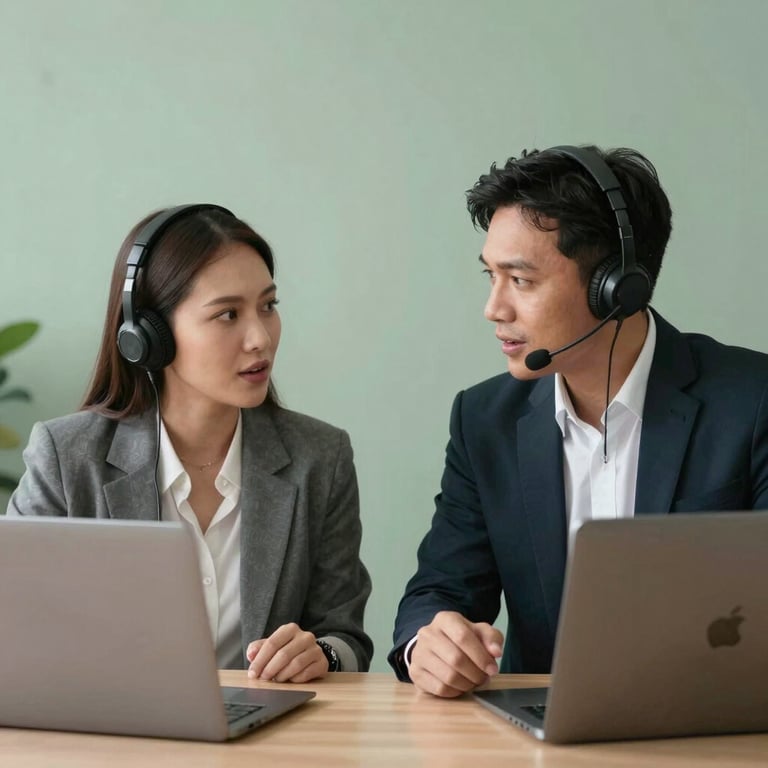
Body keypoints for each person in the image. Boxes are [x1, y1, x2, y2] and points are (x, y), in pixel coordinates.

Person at [389, 144, 768, 698]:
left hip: (712, 723)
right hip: (544, 732)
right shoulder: (484, 420)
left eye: (520, 280)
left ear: (616, 288)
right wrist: (429, 644)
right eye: (490, 276)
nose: (493, 308)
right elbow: (439, 589)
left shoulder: (752, 400)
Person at [7, 203, 373, 681]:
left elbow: (347, 637)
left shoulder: (320, 458)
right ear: (149, 336)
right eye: (227, 315)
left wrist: (321, 654)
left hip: (265, 745)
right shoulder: (67, 457)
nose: (260, 338)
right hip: (115, 741)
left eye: (268, 306)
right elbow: (13, 629)